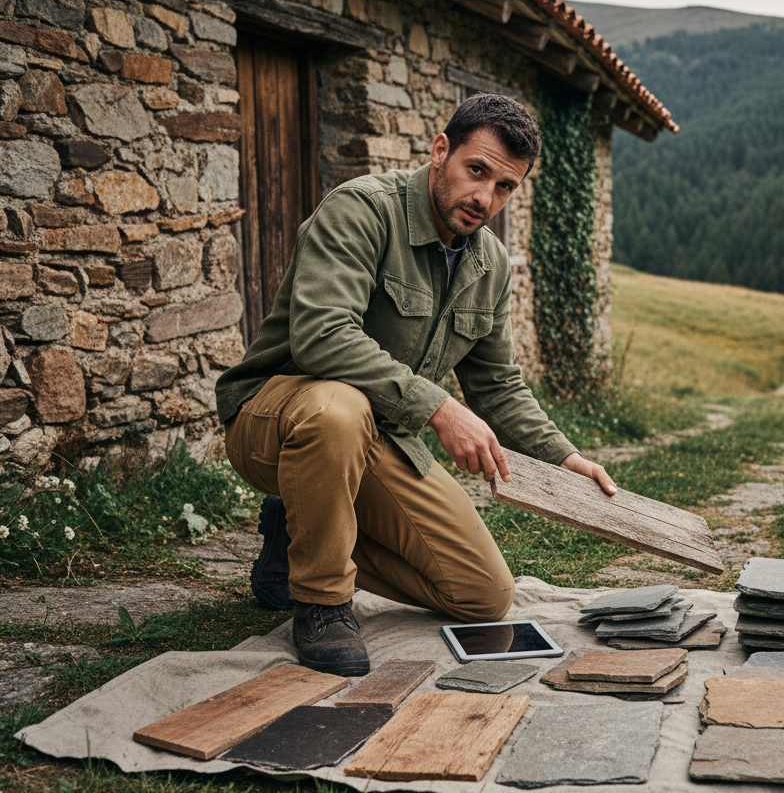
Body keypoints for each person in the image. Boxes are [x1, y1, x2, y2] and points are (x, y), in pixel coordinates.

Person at [215, 93, 616, 677]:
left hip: (379, 438)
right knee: (338, 408)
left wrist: (563, 457)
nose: (485, 198)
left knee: (483, 596)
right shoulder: (362, 209)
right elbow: (322, 337)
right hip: (278, 415)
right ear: (439, 151)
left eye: (505, 187)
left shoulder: (491, 265)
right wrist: (440, 410)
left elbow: (498, 383)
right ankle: (323, 602)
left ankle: (293, 530)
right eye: (476, 171)